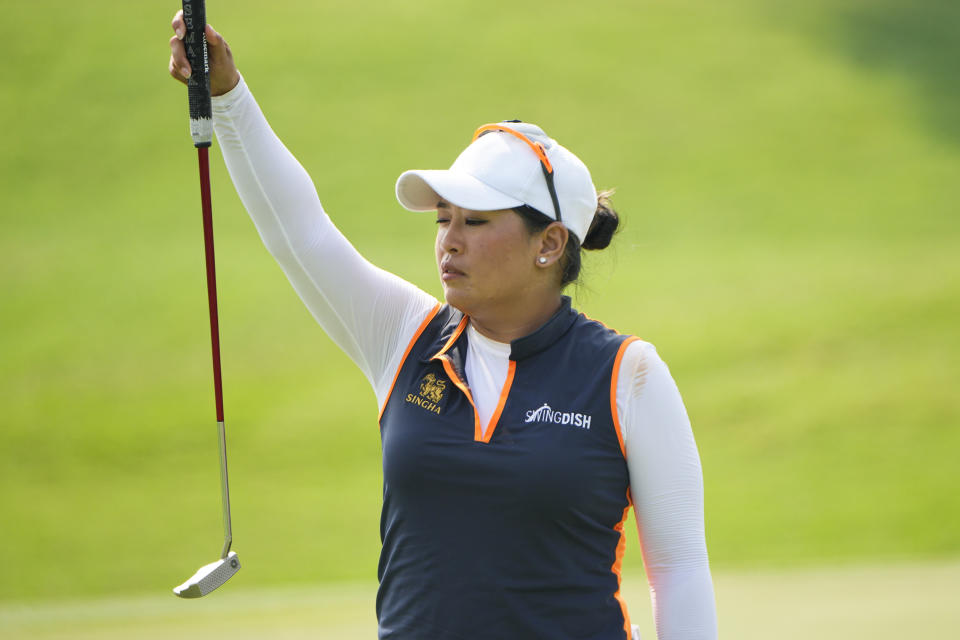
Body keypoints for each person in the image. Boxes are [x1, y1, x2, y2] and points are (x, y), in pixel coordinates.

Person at [168, 13, 718, 640]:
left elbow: (678, 569)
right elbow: (300, 234)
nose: (448, 243)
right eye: (441, 220)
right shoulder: (405, 337)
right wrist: (228, 97)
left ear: (550, 243)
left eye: (475, 222)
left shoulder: (627, 374)